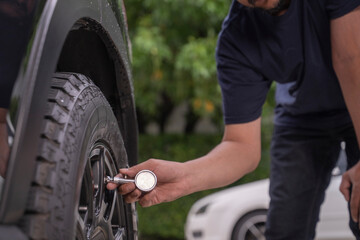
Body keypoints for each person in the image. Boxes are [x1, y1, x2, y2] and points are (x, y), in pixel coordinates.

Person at [111, 0, 359, 239]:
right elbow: (242, 148)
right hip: (302, 116)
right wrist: (183, 178)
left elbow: (350, 59)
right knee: (286, 228)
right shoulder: (237, 41)